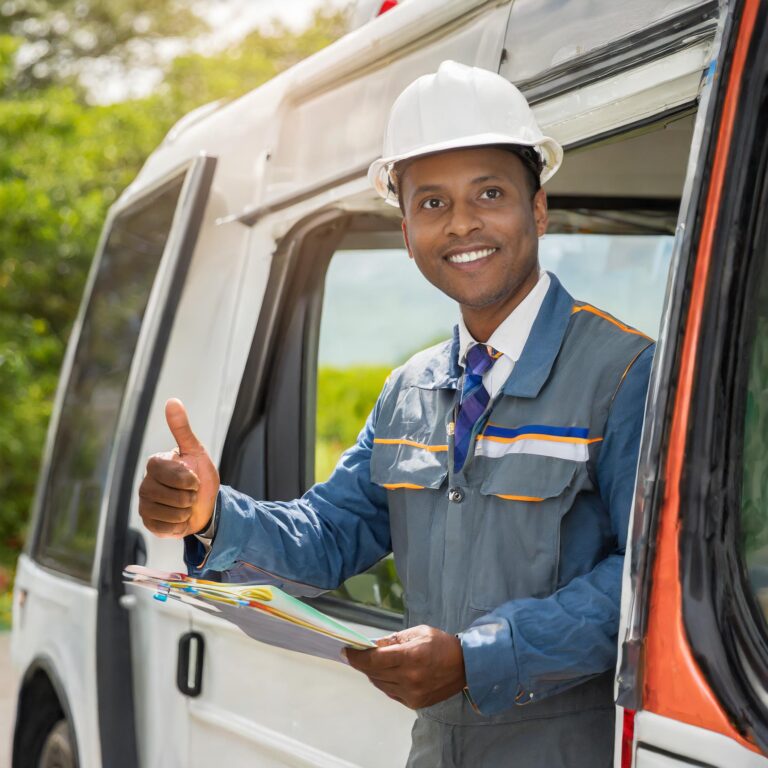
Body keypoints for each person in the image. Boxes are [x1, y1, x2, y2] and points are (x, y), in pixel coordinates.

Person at [138, 60, 654, 767]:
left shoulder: (626, 373)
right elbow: (330, 533)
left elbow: (650, 580)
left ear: (537, 208)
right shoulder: (408, 391)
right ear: (406, 225)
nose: (463, 222)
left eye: (491, 193)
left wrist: (479, 659)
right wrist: (209, 515)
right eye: (432, 203)